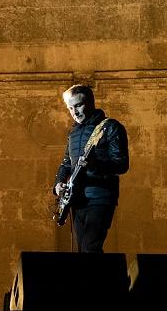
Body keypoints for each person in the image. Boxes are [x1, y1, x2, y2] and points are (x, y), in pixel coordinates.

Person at [53, 84, 129, 253]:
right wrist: (58, 183)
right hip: (77, 200)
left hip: (101, 197)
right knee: (83, 251)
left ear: (90, 102)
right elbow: (66, 163)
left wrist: (95, 165)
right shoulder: (72, 133)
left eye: (79, 105)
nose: (75, 112)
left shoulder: (110, 127)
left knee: (90, 247)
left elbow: (122, 164)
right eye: (70, 108)